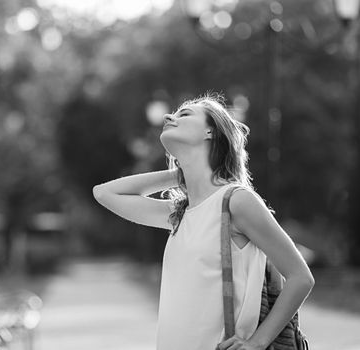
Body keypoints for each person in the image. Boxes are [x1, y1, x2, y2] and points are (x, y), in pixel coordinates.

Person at [92, 94, 314, 350]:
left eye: (184, 114)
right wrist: (183, 173)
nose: (168, 117)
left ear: (211, 131)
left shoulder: (235, 201)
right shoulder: (179, 215)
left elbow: (300, 277)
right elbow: (104, 193)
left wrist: (256, 343)